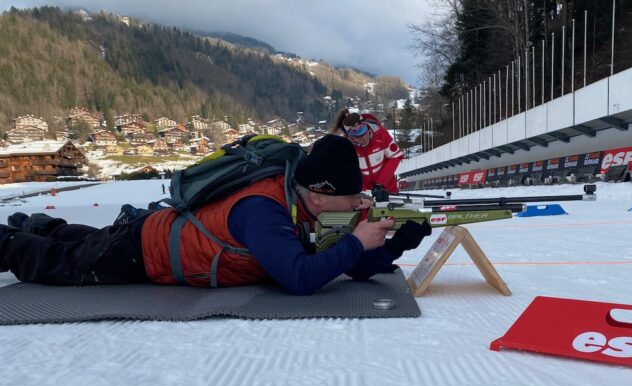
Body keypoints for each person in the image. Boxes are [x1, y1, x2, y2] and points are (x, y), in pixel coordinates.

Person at [0, 135, 431, 295]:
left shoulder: (302, 205)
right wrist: (358, 239)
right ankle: (9, 241)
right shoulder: (265, 210)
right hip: (147, 251)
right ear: (319, 195)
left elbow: (348, 268)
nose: (358, 205)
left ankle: (38, 224)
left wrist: (396, 241)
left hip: (147, 233)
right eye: (351, 199)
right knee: (62, 265)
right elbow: (300, 278)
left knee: (80, 241)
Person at [331, 109, 403, 194]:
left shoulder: (380, 134)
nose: (364, 139)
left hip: (387, 186)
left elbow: (395, 156)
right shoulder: (347, 147)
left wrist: (381, 183)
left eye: (364, 133)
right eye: (358, 137)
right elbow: (349, 173)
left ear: (367, 127)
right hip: (364, 192)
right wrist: (363, 190)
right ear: (351, 137)